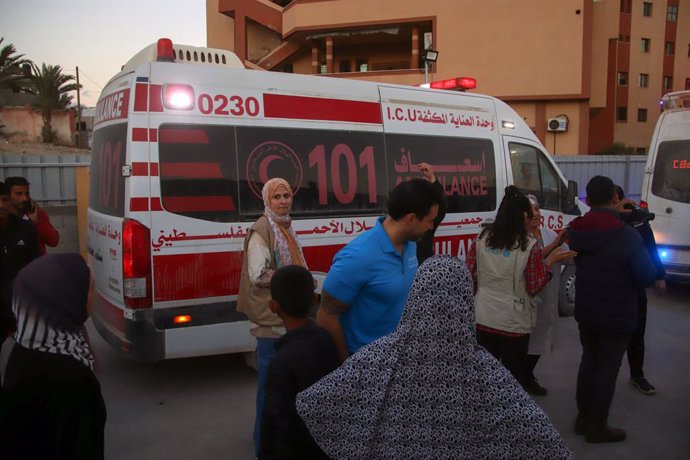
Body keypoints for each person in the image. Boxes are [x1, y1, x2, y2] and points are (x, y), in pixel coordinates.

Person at [297, 256, 572, 460]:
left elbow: (315, 403)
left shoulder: (378, 358)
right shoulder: (485, 371)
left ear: (415, 297)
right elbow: (541, 438)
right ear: (465, 301)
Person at [568, 175, 657, 443]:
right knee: (607, 367)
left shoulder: (577, 228)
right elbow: (646, 276)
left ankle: (583, 417)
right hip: (617, 314)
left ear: (588, 198)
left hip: (586, 309)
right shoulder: (626, 235)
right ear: (616, 198)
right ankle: (598, 425)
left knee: (589, 361)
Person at [316, 178, 445, 361]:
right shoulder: (357, 256)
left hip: (398, 359)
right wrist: (346, 366)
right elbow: (326, 317)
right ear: (411, 219)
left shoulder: (411, 245)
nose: (431, 227)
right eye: (430, 221)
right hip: (364, 364)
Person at [465, 186, 574, 395]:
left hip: (483, 317)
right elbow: (534, 286)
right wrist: (549, 262)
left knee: (484, 377)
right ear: (522, 217)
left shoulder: (482, 239)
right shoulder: (529, 246)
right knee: (512, 383)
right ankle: (507, 422)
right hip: (513, 324)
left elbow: (471, 277)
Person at [0, 254, 106, 459]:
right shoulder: (73, 382)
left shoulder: (20, 346)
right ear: (67, 301)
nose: (95, 295)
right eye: (91, 288)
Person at [237, 177, 308, 457]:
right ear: (267, 199)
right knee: (269, 389)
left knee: (282, 387)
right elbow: (258, 274)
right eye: (277, 196)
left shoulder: (284, 226)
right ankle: (262, 445)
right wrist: (294, 280)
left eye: (287, 195)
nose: (283, 201)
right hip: (270, 320)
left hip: (283, 316)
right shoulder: (263, 229)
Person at [259, 265, 340, 460]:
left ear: (273, 307)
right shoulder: (326, 340)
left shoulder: (281, 363)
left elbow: (275, 430)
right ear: (314, 299)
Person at [615, 185, 666, 395]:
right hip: (612, 288)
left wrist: (659, 276)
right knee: (612, 336)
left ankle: (638, 375)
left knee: (637, 332)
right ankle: (605, 376)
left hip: (635, 287)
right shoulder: (605, 222)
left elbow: (651, 248)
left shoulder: (639, 221)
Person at [525, 194, 572, 396]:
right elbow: (527, 269)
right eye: (532, 210)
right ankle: (524, 378)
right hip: (527, 299)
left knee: (541, 338)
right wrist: (551, 258)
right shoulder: (519, 240)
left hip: (546, 298)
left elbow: (568, 257)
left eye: (537, 209)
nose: (537, 214)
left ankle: (527, 375)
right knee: (523, 343)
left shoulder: (549, 234)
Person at [0, 180, 41, 339]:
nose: (1, 205)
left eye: (4, 200)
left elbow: (35, 264)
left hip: (20, 302)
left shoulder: (25, 228)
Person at [4, 176, 59, 254]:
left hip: (36, 264)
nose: (25, 198)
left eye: (27, 193)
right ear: (8, 195)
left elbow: (53, 241)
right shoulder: (4, 216)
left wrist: (37, 222)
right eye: (19, 194)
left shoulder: (37, 213)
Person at [415, 162, 447, 264]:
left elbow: (441, 205)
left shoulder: (428, 225)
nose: (430, 225)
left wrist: (432, 178)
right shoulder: (406, 229)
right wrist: (432, 179)